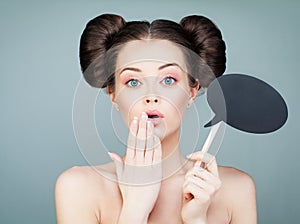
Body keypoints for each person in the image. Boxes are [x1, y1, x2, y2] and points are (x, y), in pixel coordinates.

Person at [55, 14, 257, 224]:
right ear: (113, 95)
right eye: (133, 82)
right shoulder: (78, 187)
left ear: (192, 91)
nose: (151, 95)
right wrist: (135, 210)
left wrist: (196, 219)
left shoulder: (236, 189)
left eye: (168, 80)